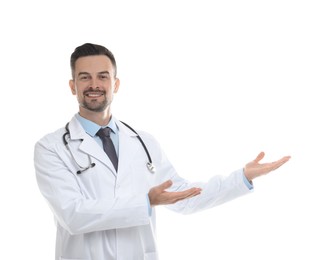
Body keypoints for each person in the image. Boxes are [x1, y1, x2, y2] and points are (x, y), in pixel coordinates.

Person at [34, 43, 291, 260]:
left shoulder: (143, 143)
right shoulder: (51, 147)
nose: (94, 84)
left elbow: (184, 197)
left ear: (116, 83)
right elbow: (73, 215)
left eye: (103, 76)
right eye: (84, 77)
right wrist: (146, 202)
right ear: (72, 85)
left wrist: (243, 177)